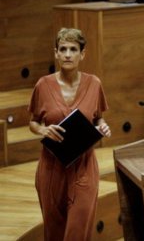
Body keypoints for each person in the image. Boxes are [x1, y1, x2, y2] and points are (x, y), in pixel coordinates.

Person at [28, 28, 111, 240]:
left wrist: (103, 126)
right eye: (62, 49)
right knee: (54, 233)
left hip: (84, 168)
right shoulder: (43, 85)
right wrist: (44, 129)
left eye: (73, 49)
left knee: (78, 232)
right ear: (55, 53)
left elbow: (98, 118)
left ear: (82, 54)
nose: (67, 54)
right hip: (51, 169)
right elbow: (33, 123)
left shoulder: (94, 84)